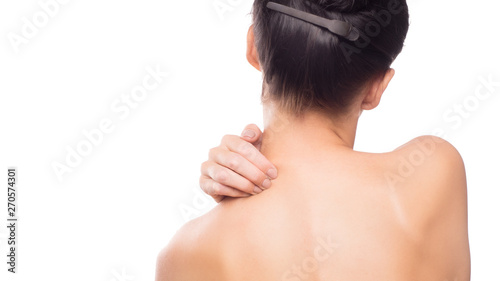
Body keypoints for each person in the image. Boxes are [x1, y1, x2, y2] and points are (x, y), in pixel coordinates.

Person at [156, 0, 471, 280]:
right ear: (377, 87)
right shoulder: (434, 170)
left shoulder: (184, 254)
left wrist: (230, 218)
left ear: (253, 47)